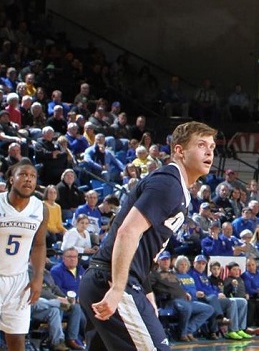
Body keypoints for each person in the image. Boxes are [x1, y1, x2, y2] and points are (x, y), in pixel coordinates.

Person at [79, 121, 217, 351]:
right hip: (113, 280)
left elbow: (143, 247)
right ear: (179, 151)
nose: (209, 152)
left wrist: (148, 293)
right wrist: (118, 289)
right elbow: (127, 232)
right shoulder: (168, 183)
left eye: (212, 147)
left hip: (104, 279)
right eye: (201, 145)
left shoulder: (177, 188)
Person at [0, 159, 48, 351]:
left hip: (19, 281)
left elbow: (39, 244)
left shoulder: (40, 208)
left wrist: (38, 277)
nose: (28, 179)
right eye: (23, 174)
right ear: (12, 179)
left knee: (17, 340)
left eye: (33, 176)